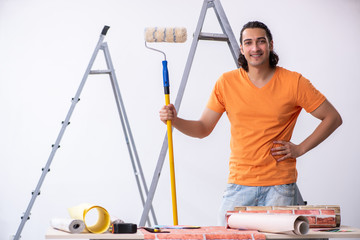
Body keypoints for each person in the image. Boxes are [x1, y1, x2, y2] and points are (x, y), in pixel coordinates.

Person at [159, 21, 342, 226]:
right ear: (242, 48)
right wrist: (175, 121)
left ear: (270, 45)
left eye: (260, 42)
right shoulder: (226, 83)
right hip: (239, 185)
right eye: (249, 43)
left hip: (279, 186)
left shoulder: (294, 82)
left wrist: (300, 149)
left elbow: (333, 118)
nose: (255, 48)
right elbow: (203, 128)